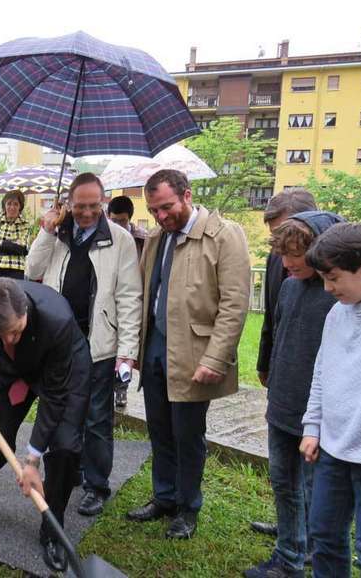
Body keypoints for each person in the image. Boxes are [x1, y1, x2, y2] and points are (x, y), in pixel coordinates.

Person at [126, 169, 250, 539]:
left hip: (196, 355)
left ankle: (187, 507)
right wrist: (135, 350)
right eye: (153, 210)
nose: (162, 217)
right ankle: (164, 497)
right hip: (155, 353)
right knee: (160, 430)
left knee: (188, 435)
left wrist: (215, 358)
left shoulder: (225, 236)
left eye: (166, 207)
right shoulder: (155, 238)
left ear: (187, 195)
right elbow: (147, 296)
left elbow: (235, 304)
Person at [26, 173, 142, 517]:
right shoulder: (57, 234)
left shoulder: (120, 240)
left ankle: (96, 485)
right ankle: (69, 469)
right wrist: (47, 230)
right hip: (57, 346)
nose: (87, 212)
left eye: (94, 206)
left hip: (99, 345)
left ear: (103, 203)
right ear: (68, 204)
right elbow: (32, 268)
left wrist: (127, 351)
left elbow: (129, 297)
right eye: (80, 206)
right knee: (59, 413)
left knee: (95, 419)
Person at [0, 278, 91, 573]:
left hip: (64, 367)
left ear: (25, 312)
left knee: (65, 448)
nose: (7, 340)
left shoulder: (57, 319)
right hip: (14, 367)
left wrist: (32, 460)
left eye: (15, 331)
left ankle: (53, 531)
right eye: (1, 336)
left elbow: (55, 398)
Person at [244, 211, 343, 578]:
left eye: (294, 256)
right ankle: (288, 556)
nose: (285, 264)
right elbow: (279, 333)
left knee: (319, 496)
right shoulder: (288, 286)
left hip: (320, 417)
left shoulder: (339, 296)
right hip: (282, 408)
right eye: (281, 255)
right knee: (284, 484)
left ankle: (317, 560)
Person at [299, 223, 361, 578]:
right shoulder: (337, 313)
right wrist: (312, 426)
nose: (327, 288)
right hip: (331, 451)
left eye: (334, 278)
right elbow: (321, 373)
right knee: (324, 535)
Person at [250, 189, 317, 538]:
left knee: (310, 474)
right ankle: (290, 526)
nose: (278, 245)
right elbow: (271, 318)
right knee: (283, 469)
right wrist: (265, 363)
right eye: (275, 236)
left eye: (282, 232)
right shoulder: (280, 258)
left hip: (314, 390)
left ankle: (306, 538)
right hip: (283, 378)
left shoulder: (333, 277)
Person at [106, 194, 148, 409]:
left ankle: (122, 389)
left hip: (134, 300)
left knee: (128, 348)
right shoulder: (106, 237)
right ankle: (112, 387)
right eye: (113, 220)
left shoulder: (142, 239)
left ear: (129, 219)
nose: (118, 225)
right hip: (110, 301)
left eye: (122, 221)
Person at [0, 190, 30, 280]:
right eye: (9, 204)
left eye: (16, 204)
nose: (12, 207)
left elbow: (23, 250)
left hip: (15, 270)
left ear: (20, 207)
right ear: (4, 205)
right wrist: (13, 245)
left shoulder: (25, 224)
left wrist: (0, 243)